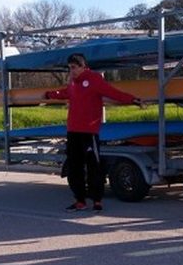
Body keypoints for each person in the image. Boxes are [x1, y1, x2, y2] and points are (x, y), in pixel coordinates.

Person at [44, 53, 143, 211]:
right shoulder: (73, 83)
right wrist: (50, 95)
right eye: (70, 68)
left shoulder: (94, 79)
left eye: (74, 68)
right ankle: (80, 200)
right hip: (73, 131)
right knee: (74, 168)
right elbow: (65, 93)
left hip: (89, 132)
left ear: (83, 66)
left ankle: (97, 200)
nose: (72, 71)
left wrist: (132, 99)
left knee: (93, 167)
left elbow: (112, 92)